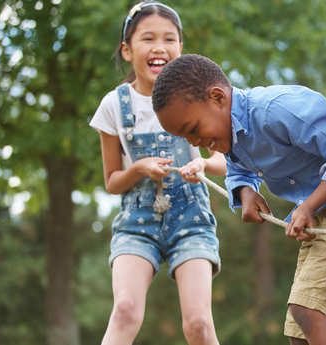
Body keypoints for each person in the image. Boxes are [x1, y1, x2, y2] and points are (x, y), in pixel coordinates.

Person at [151, 54, 326, 345]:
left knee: (308, 310)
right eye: (185, 137)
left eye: (193, 129)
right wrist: (246, 192)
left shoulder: (276, 109)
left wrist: (308, 205)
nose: (193, 142)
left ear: (218, 97)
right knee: (299, 331)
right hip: (324, 211)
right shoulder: (233, 137)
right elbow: (237, 169)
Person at [89, 2, 226, 344]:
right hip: (137, 222)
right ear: (127, 49)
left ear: (181, 47)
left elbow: (227, 162)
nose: (159, 48)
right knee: (125, 310)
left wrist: (203, 164)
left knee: (198, 323)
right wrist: (137, 168)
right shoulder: (113, 105)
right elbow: (111, 182)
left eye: (169, 39)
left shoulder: (200, 97)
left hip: (190, 218)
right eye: (148, 38)